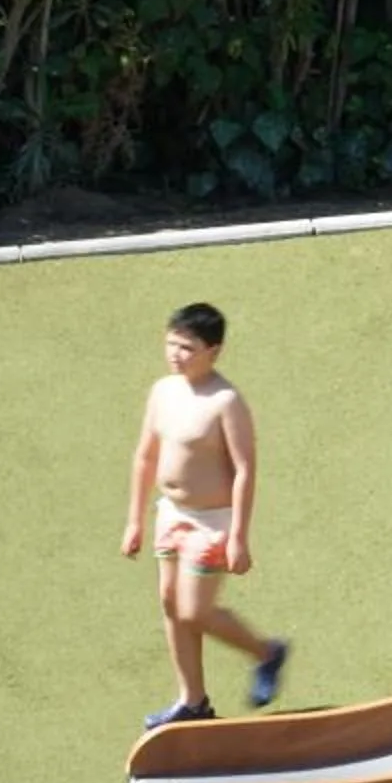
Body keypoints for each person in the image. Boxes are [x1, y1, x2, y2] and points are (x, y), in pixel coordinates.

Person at [120, 302, 289, 728]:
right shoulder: (163, 391)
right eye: (171, 344)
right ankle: (192, 701)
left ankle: (267, 652)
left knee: (195, 611)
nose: (176, 354)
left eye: (187, 347)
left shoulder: (225, 401)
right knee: (170, 606)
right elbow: (145, 456)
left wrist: (238, 536)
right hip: (171, 514)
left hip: (211, 522)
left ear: (213, 351)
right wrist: (135, 520)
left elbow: (245, 470)